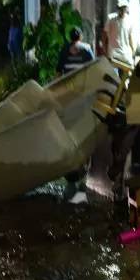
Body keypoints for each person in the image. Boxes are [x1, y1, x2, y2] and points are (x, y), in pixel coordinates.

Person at [56, 27, 95, 203]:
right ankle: (82, 178)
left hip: (68, 97)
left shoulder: (64, 50)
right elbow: (93, 71)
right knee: (83, 131)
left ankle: (71, 178)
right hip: (83, 96)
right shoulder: (86, 50)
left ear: (70, 37)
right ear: (80, 36)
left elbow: (58, 74)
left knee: (69, 132)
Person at [103, 0, 136, 66]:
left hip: (125, 55)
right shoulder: (111, 18)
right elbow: (104, 35)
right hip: (113, 54)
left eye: (123, 7)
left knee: (125, 76)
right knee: (113, 75)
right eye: (120, 8)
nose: (122, 10)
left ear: (126, 8)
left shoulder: (130, 20)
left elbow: (131, 38)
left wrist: (133, 51)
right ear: (117, 8)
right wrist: (105, 50)